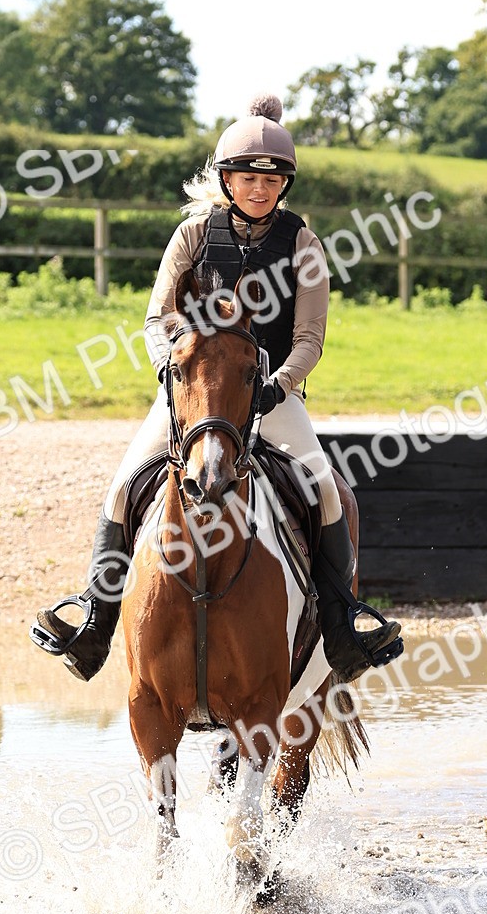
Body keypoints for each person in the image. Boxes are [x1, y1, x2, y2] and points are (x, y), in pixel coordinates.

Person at [30, 94, 400, 683]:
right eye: (248, 178)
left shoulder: (303, 245)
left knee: (329, 493)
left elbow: (309, 339)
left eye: (271, 181)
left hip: (271, 396)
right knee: (123, 487)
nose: (260, 189)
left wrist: (277, 386)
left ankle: (340, 629)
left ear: (285, 185)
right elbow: (158, 319)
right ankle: (95, 622)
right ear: (227, 180)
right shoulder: (193, 236)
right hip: (193, 392)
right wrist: (170, 370)